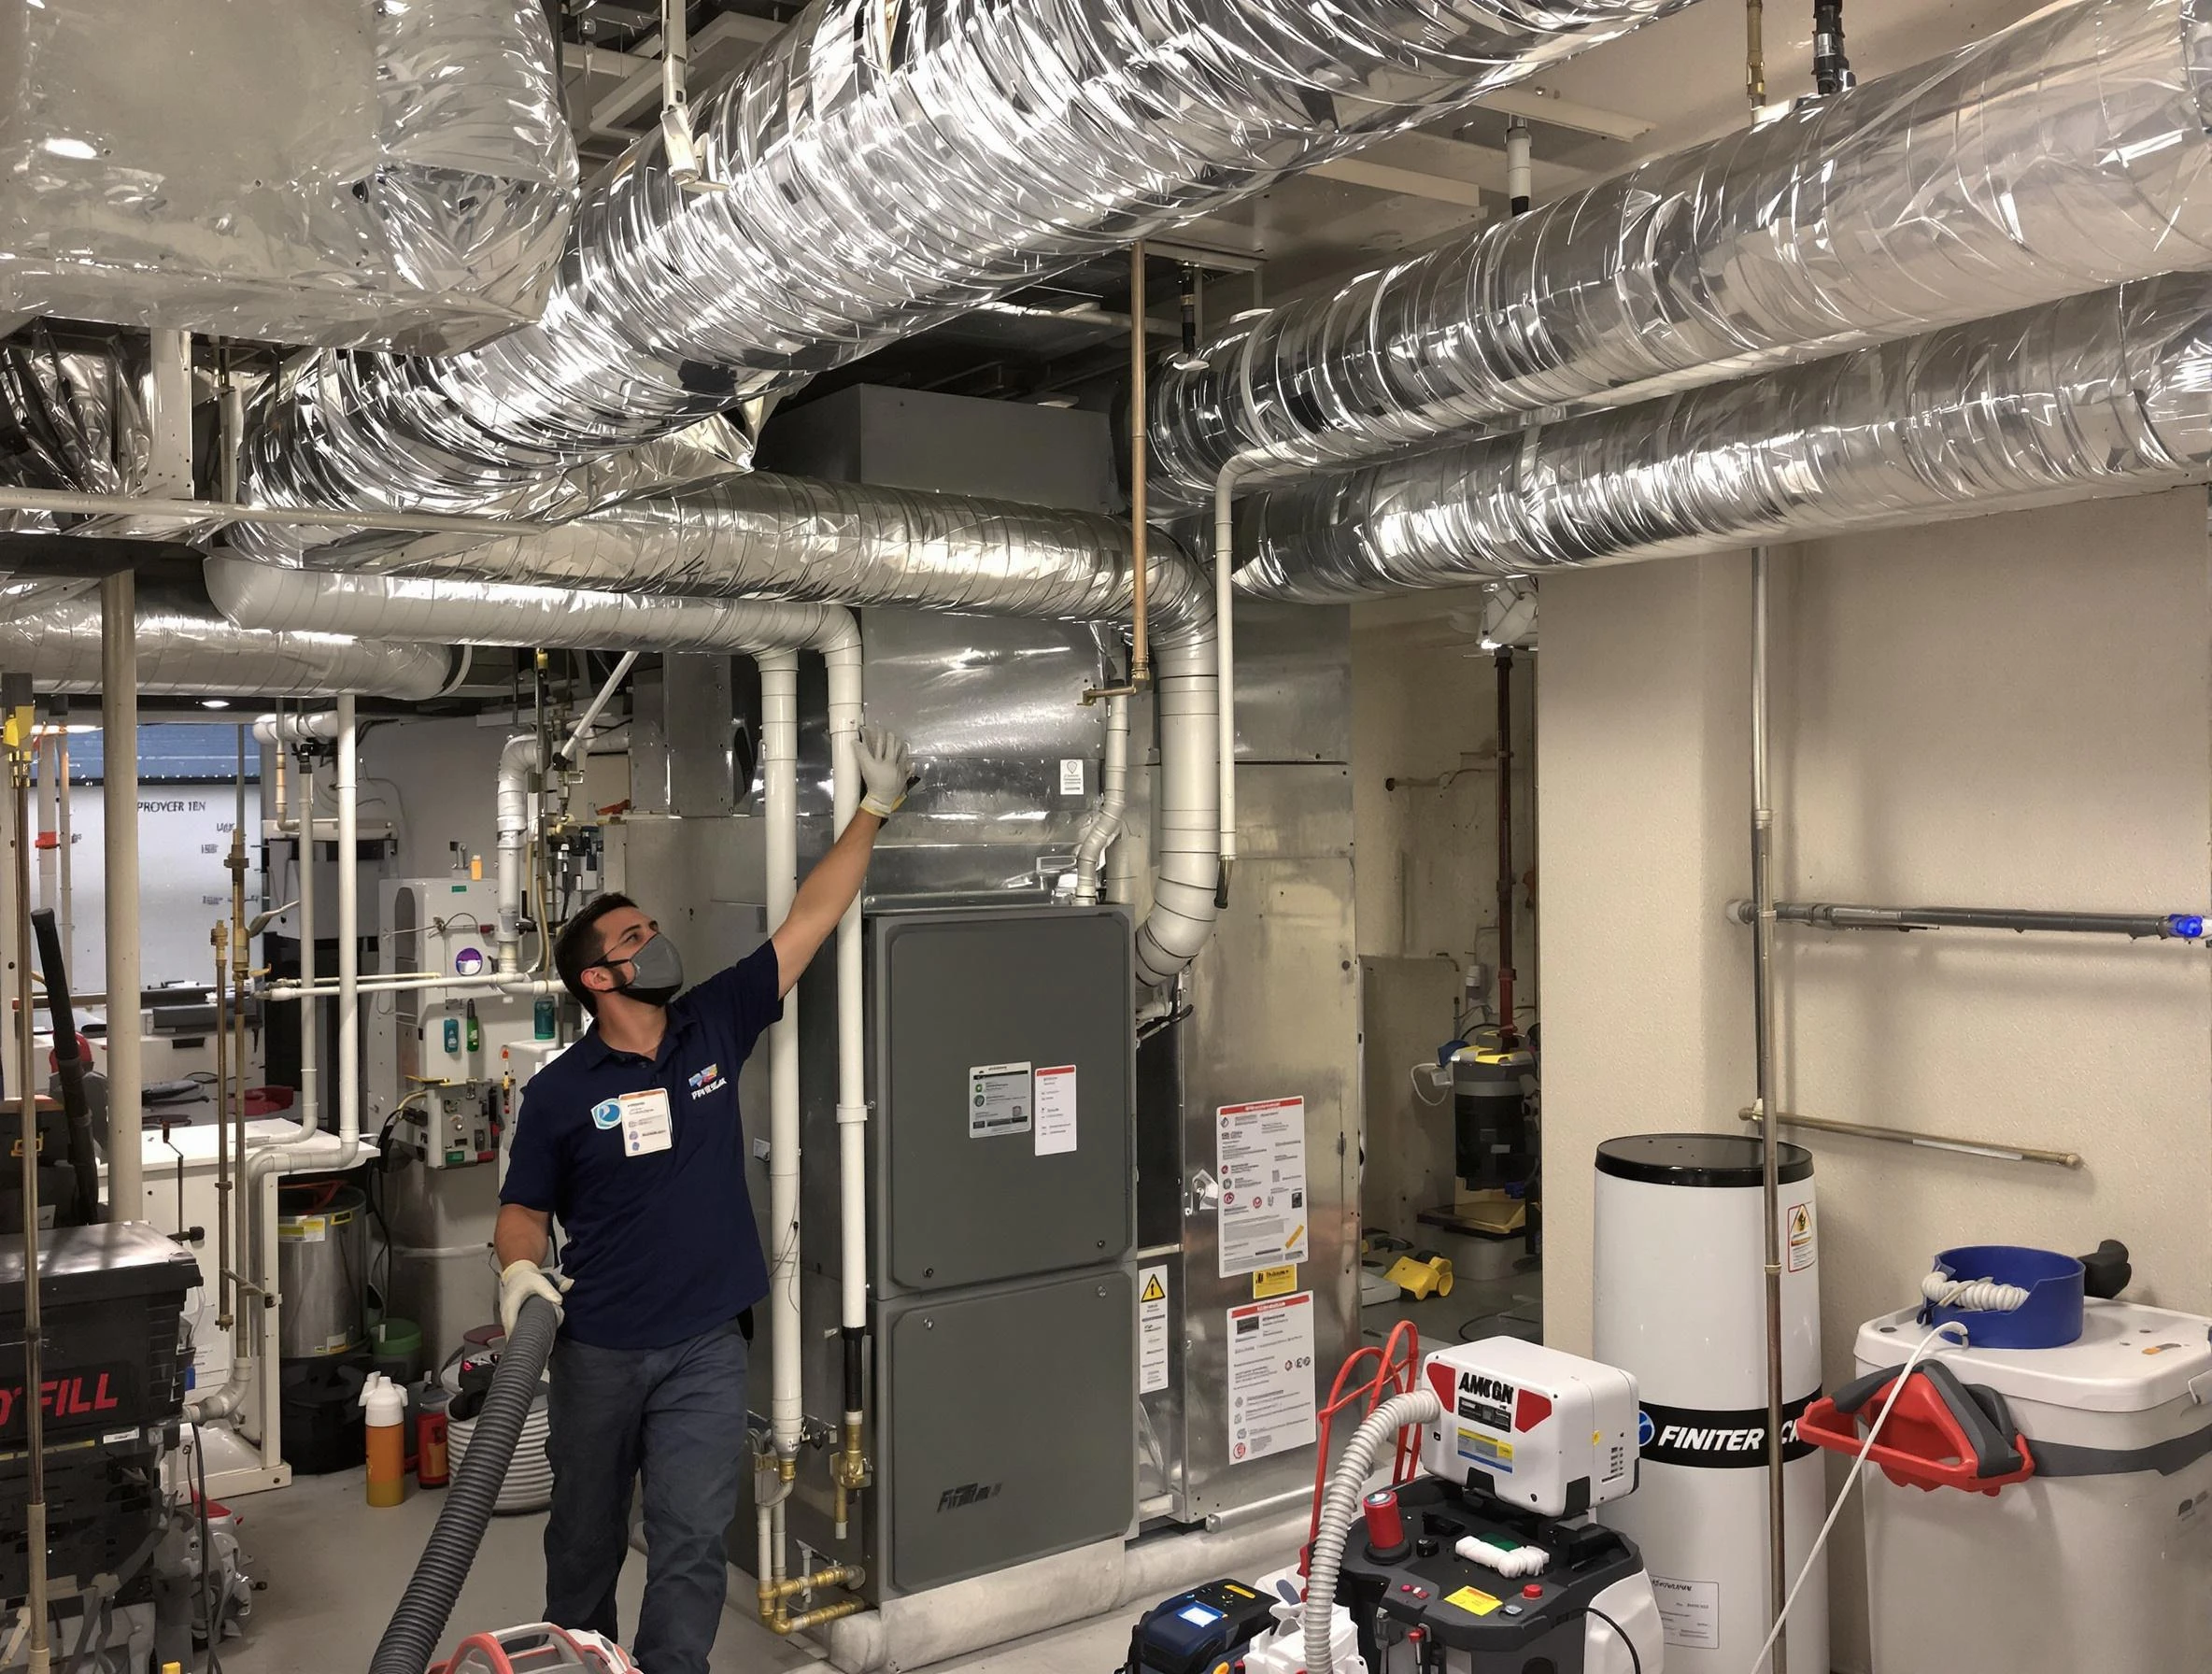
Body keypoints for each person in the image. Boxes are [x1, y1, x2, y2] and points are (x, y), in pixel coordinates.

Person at [493, 722, 915, 1674]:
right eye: (636, 937)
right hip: (597, 1350)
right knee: (584, 1548)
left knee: (686, 1545)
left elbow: (810, 917)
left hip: (705, 1348)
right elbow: (521, 1207)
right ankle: (580, 1662)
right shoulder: (561, 1091)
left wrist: (875, 808)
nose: (657, 939)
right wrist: (518, 1268)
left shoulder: (710, 1024)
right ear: (599, 978)